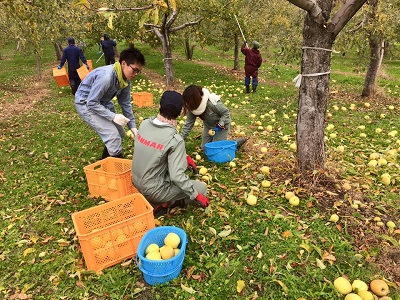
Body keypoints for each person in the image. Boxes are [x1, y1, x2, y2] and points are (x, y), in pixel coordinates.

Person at [131, 91, 210, 217]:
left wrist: (183, 157)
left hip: (135, 182)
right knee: (201, 188)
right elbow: (177, 176)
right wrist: (196, 195)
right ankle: (166, 202)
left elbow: (155, 150)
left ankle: (158, 200)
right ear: (179, 114)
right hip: (153, 190)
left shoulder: (144, 124)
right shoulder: (175, 139)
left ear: (159, 106)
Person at [75, 47, 145, 159]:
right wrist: (112, 116)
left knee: (120, 134)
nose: (136, 74)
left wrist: (133, 127)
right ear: (123, 63)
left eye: (138, 71)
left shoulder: (125, 80)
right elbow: (91, 102)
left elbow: (125, 103)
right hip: (85, 103)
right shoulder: (106, 77)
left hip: (101, 102)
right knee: (113, 136)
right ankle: (116, 171)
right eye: (134, 70)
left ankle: (106, 162)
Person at [180, 85, 246, 150]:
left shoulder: (212, 103)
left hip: (222, 126)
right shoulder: (193, 108)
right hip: (209, 126)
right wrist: (180, 140)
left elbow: (225, 113)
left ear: (194, 100)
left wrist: (220, 124)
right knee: (204, 148)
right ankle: (217, 140)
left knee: (216, 148)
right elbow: (188, 124)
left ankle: (235, 143)